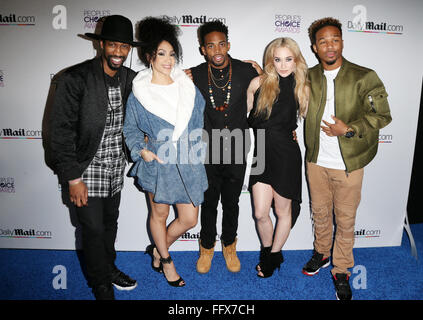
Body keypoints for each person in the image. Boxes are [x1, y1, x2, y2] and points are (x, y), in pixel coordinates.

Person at [49, 15, 140, 300]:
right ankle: (99, 282)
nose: (118, 52)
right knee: (92, 227)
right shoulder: (74, 79)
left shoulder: (130, 79)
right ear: (101, 44)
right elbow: (60, 132)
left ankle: (108, 267)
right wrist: (73, 177)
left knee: (110, 223)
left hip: (115, 166)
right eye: (112, 45)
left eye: (124, 47)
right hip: (85, 169)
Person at [302, 17, 392, 300]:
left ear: (342, 41)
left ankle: (341, 269)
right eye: (323, 41)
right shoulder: (309, 76)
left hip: (348, 164)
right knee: (319, 214)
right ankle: (321, 253)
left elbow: (382, 116)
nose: (329, 46)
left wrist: (349, 129)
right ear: (315, 47)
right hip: (316, 160)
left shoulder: (365, 76)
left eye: (335, 39)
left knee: (345, 219)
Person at [123, 17, 208, 287]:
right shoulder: (140, 92)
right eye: (162, 54)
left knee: (189, 219)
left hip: (187, 162)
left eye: (172, 54)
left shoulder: (186, 86)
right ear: (150, 56)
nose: (168, 60)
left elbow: (199, 121)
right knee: (159, 216)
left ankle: (158, 249)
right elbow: (131, 130)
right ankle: (166, 261)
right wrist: (142, 151)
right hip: (157, 162)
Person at [186, 20, 262, 274]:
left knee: (231, 203)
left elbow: (270, 99)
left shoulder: (246, 71)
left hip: (238, 147)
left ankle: (229, 245)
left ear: (228, 45)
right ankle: (207, 247)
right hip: (206, 150)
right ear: (203, 50)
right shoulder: (193, 75)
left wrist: (263, 74)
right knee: (209, 202)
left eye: (221, 44)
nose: (217, 50)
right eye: (210, 46)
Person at [246, 37, 309, 278]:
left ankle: (272, 255)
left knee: (283, 212)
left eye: (289, 59)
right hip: (261, 152)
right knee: (260, 212)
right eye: (278, 59)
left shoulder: (302, 85)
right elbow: (245, 117)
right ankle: (268, 250)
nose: (283, 65)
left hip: (286, 154)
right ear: (270, 61)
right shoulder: (258, 82)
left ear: (297, 60)